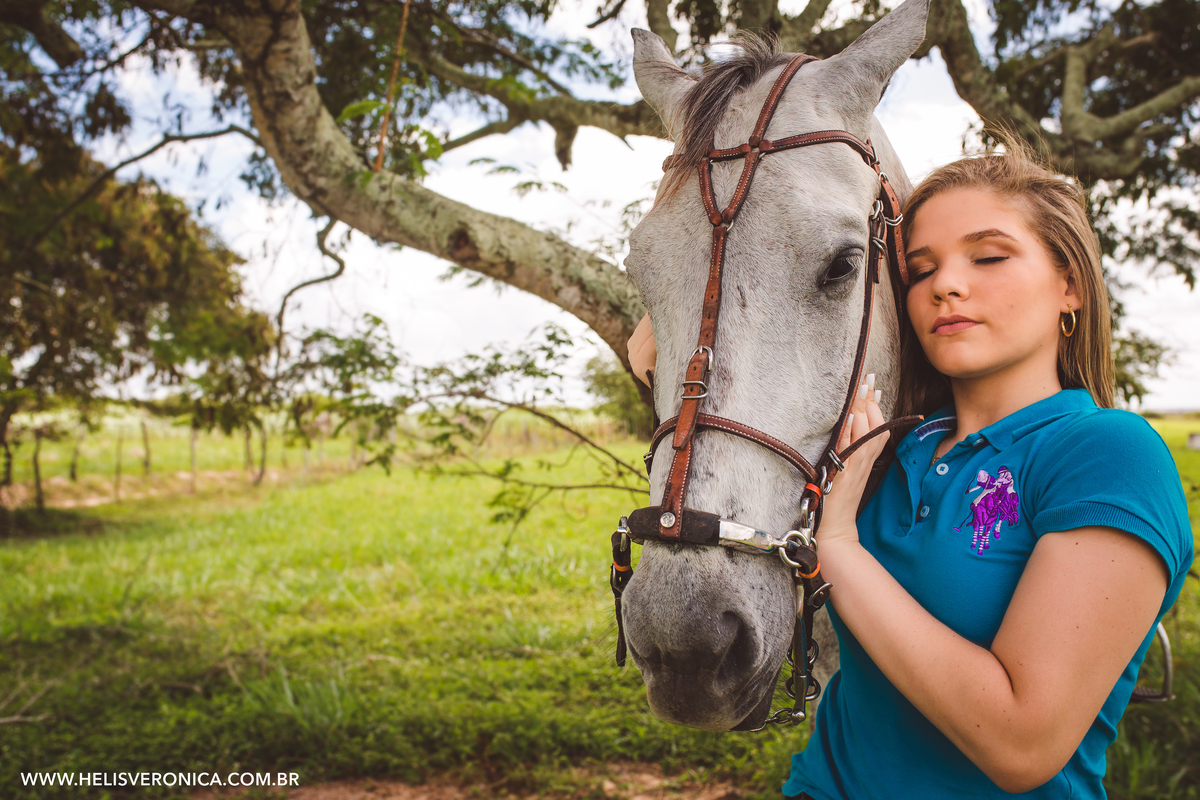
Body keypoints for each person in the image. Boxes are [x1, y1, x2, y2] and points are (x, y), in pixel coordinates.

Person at [626, 138, 1193, 799]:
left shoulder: (1107, 454)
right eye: (920, 271)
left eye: (989, 256)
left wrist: (839, 545)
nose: (946, 285)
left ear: (1069, 285)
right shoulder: (886, 448)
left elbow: (1021, 744)